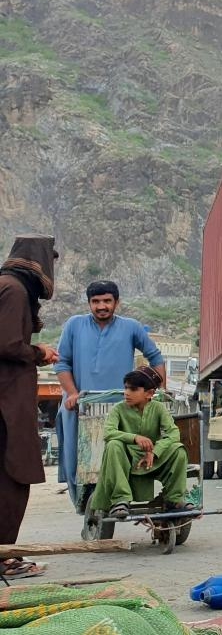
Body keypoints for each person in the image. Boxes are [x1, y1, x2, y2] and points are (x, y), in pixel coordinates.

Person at [54, 281, 165, 505]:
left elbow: (155, 357)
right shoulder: (74, 325)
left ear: (117, 302)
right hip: (80, 407)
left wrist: (155, 391)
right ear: (89, 303)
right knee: (80, 460)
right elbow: (62, 362)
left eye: (107, 301)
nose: (101, 306)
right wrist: (73, 393)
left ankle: (123, 500)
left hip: (121, 409)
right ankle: (85, 506)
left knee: (121, 455)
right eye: (95, 302)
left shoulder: (131, 327)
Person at [0, 235, 59, 578]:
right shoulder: (14, 290)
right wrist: (40, 353)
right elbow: (7, 344)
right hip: (7, 401)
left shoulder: (7, 286)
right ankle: (4, 556)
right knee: (13, 477)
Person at [91, 367, 189, 518]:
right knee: (113, 445)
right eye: (126, 388)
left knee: (178, 449)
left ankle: (174, 499)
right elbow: (108, 432)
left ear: (149, 394)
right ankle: (120, 500)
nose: (127, 393)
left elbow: (173, 433)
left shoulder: (158, 408)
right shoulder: (118, 409)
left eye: (133, 389)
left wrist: (155, 452)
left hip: (151, 459)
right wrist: (135, 437)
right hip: (127, 458)